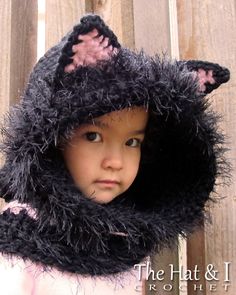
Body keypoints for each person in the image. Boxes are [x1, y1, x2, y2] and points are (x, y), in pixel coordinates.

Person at [0, 14, 230, 294]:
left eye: (132, 142)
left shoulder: (130, 237)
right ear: (53, 141)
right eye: (93, 136)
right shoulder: (19, 241)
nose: (116, 162)